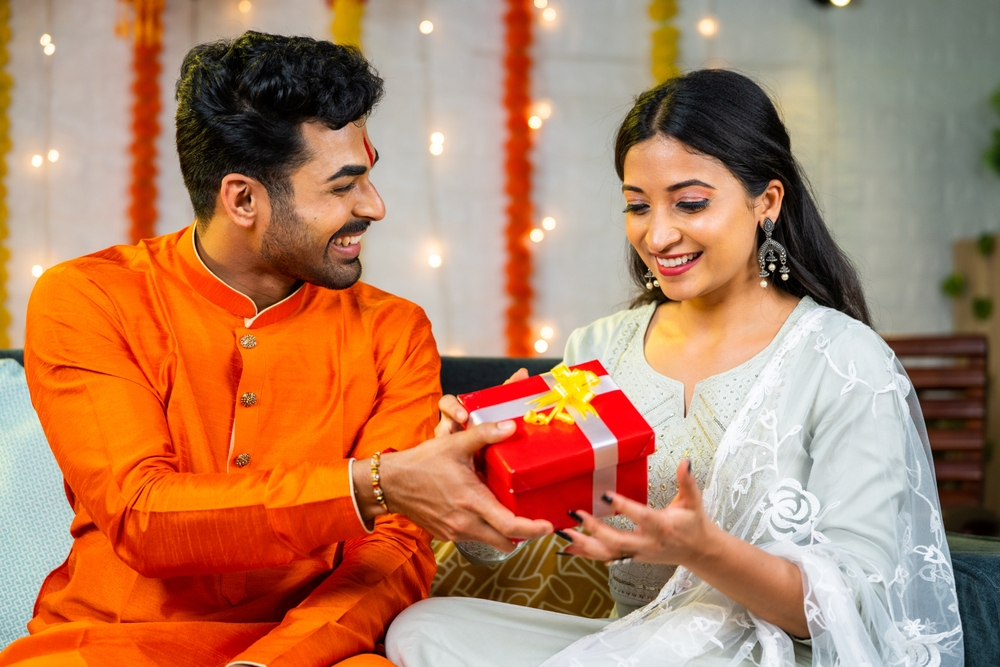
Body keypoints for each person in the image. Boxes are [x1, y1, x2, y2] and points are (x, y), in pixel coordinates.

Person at [0, 32, 549, 667]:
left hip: (315, 650)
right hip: (107, 647)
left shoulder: (393, 330)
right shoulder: (91, 297)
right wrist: (372, 485)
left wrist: (273, 662)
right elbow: (143, 516)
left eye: (368, 177)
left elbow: (394, 551)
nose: (375, 206)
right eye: (343, 186)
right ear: (242, 199)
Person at [385, 69, 964, 666]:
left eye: (690, 203)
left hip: (765, 653)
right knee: (424, 628)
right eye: (637, 206)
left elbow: (858, 607)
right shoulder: (599, 349)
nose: (658, 234)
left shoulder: (846, 360)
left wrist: (704, 551)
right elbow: (516, 537)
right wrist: (480, 472)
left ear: (766, 201)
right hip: (624, 646)